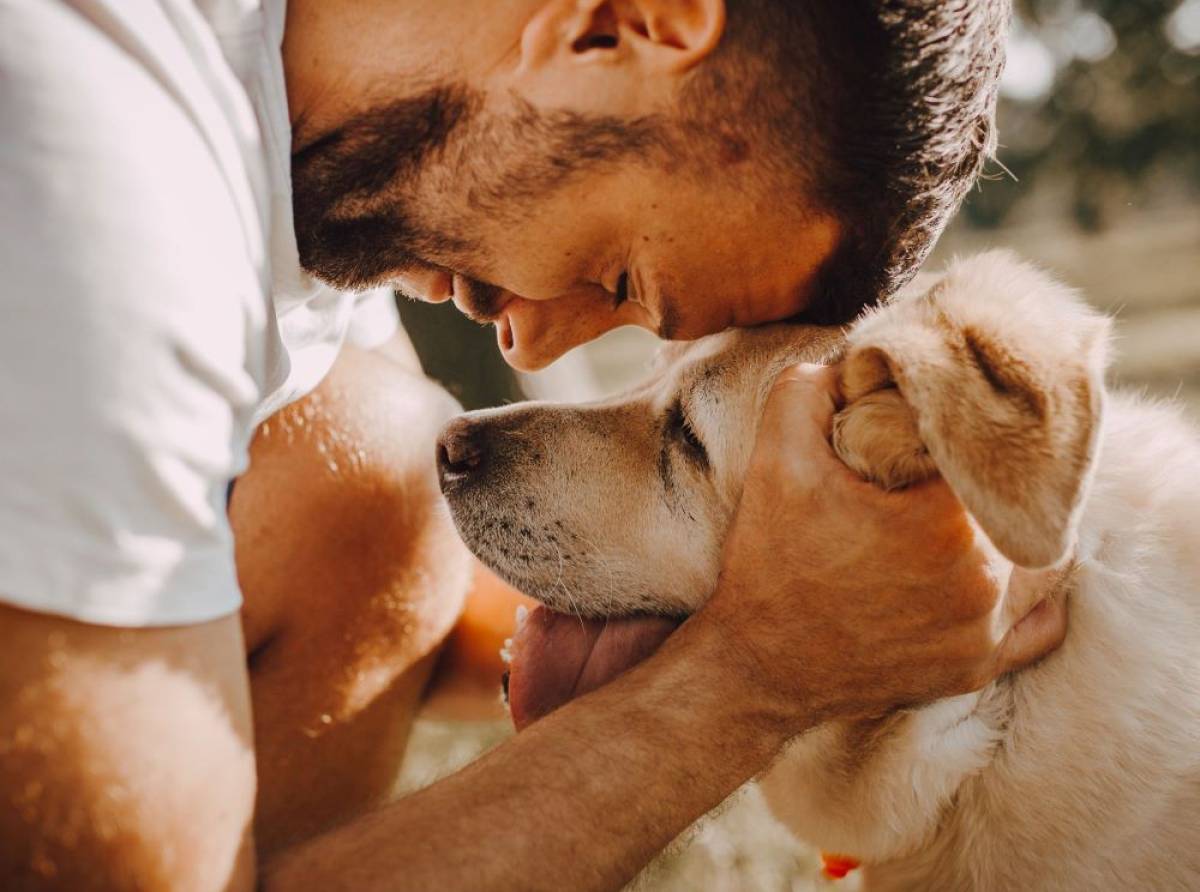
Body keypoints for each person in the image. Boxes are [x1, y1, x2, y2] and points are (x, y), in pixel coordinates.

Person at [0, 1, 1066, 889]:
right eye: (618, 276)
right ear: (625, 26)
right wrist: (755, 676)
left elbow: (420, 602)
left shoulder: (297, 151)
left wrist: (846, 603)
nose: (529, 337)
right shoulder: (92, 155)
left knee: (376, 476)